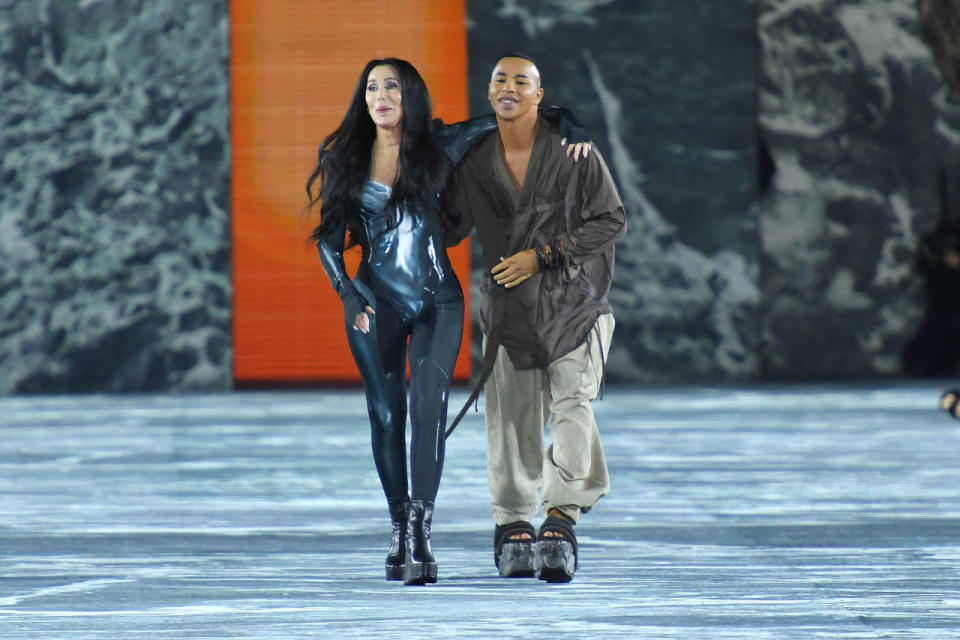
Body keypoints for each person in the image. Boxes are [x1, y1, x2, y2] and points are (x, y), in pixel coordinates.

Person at [306, 58, 589, 585]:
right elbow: (327, 237)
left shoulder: (443, 145)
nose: (380, 95)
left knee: (427, 410)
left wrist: (570, 121)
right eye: (371, 87)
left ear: (410, 95)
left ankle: (420, 533)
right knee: (386, 416)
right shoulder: (344, 155)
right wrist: (346, 293)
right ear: (363, 98)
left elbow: (514, 113)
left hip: (438, 300)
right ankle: (397, 531)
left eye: (391, 85)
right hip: (374, 303)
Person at [446, 54, 627, 583]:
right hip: (509, 313)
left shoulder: (574, 151)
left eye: (520, 81)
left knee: (574, 406)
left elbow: (612, 219)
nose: (508, 87)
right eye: (499, 79)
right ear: (489, 93)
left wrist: (544, 255)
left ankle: (561, 519)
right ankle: (512, 524)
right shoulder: (476, 160)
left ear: (538, 94)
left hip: (575, 304)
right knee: (510, 421)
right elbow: (450, 225)